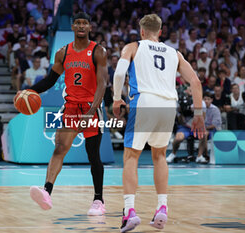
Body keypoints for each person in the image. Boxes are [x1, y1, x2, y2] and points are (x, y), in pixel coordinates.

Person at [113, 14, 204, 232]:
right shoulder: (174, 53)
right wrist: (198, 113)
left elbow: (118, 73)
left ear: (142, 31)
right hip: (168, 104)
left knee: (131, 156)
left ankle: (129, 211)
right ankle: (162, 207)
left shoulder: (133, 46)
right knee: (160, 155)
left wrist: (117, 98)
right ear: (160, 32)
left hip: (144, 100)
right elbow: (196, 81)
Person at [15, 12, 108, 215]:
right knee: (59, 149)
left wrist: (92, 111)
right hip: (71, 108)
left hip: (91, 109)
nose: (81, 26)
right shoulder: (63, 53)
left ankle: (99, 200)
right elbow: (49, 81)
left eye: (85, 23)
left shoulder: (98, 51)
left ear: (90, 28)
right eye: (78, 23)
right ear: (73, 27)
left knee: (93, 156)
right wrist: (29, 92)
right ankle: (46, 191)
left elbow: (103, 84)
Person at [197, 92, 221, 163]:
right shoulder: (199, 109)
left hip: (213, 130)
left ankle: (203, 155)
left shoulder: (215, 109)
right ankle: (201, 156)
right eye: (204, 99)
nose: (206, 101)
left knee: (204, 134)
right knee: (203, 133)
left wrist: (203, 128)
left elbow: (215, 125)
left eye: (208, 99)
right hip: (201, 129)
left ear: (211, 100)